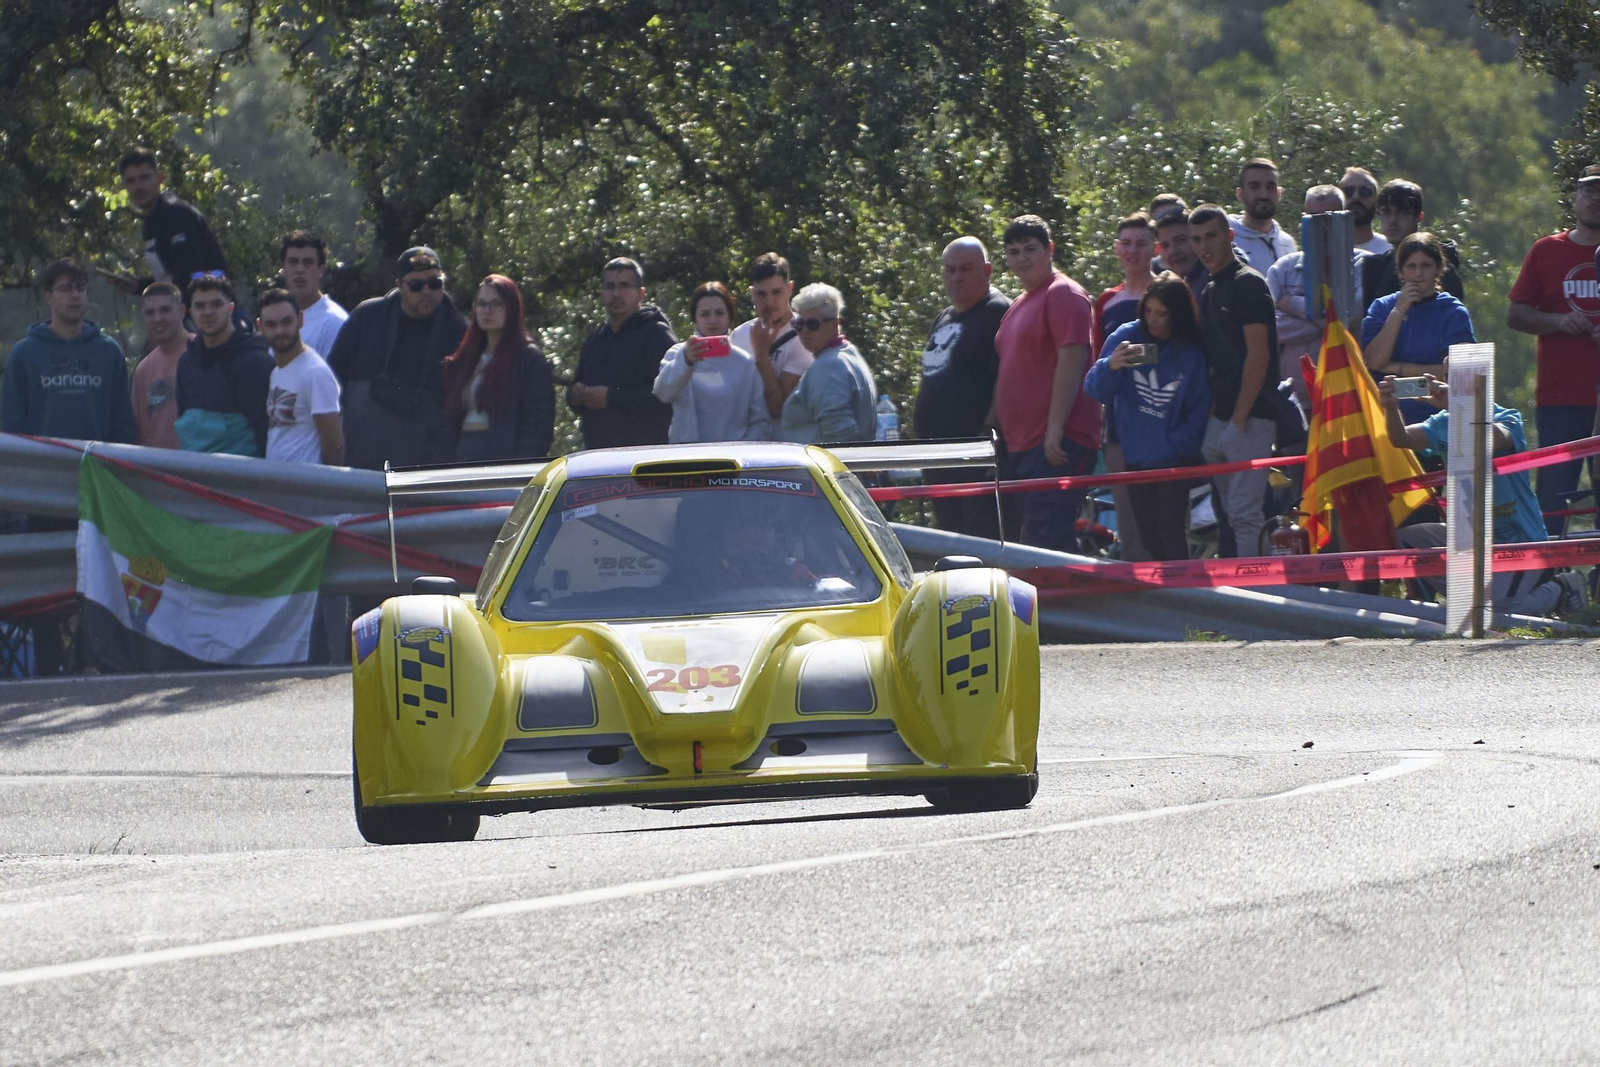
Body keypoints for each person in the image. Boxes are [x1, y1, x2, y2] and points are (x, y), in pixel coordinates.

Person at [1381, 374, 1587, 616]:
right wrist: (1390, 407)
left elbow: (1492, 439)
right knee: (1405, 540)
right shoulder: (1442, 422)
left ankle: (1561, 587)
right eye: (1447, 375)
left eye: (1457, 376)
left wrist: (1459, 405)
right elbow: (1400, 438)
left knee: (1496, 616)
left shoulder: (1506, 416)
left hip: (1520, 540)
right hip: (1469, 537)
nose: (1447, 381)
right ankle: (1432, 605)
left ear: (1480, 382)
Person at [1083, 273, 1211, 560]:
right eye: (1148, 311)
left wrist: (1174, 447)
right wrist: (1111, 365)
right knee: (1149, 538)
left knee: (1171, 534)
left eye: (1161, 314)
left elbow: (1199, 411)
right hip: (1135, 459)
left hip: (1173, 462)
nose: (1152, 320)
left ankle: (1183, 599)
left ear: (1176, 315)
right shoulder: (1127, 336)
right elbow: (1093, 389)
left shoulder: (1190, 353)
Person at [992, 214, 1101, 553]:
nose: (1021, 259)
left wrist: (1055, 429)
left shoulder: (1064, 293)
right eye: (1013, 252)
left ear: (1049, 249)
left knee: (1044, 540)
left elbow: (1072, 360)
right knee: (1033, 541)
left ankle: (1074, 606)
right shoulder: (1020, 304)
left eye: (1030, 249)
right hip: (1022, 445)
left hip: (1056, 443)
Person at [1507, 164, 1600, 534]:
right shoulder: (1546, 251)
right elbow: (1516, 314)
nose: (1595, 199)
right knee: (1552, 498)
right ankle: (1550, 585)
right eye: (1588, 190)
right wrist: (1560, 323)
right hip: (1561, 396)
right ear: (1574, 199)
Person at [326, 246, 466, 469]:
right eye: (416, 285)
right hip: (362, 458)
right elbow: (331, 382)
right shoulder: (367, 317)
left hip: (424, 466)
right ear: (399, 285)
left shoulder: (459, 330)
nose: (426, 291)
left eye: (435, 283)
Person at [1191, 204, 1279, 557]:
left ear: (1229, 235)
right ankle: (1250, 590)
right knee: (1231, 514)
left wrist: (1239, 417)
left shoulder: (1248, 283)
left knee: (1244, 515)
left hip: (1251, 416)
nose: (1203, 246)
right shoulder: (1211, 288)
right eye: (1196, 239)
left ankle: (1257, 596)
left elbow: (1259, 356)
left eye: (1211, 236)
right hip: (1224, 417)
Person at [914, 237, 1012, 539]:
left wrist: (988, 434)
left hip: (975, 454)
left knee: (978, 542)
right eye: (950, 270)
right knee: (948, 541)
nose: (957, 277)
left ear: (987, 270)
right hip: (939, 454)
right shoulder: (945, 316)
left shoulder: (997, 312)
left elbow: (1005, 379)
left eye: (966, 269)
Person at [1, 258, 136, 445]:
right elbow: (11, 425)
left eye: (81, 288)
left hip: (96, 468)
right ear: (49, 297)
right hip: (41, 468)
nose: (75, 295)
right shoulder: (24, 354)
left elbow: (123, 423)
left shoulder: (109, 352)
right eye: (65, 289)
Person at [1093, 214, 1159, 560]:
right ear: (1117, 249)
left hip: (1160, 414)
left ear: (1155, 247)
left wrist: (1132, 356)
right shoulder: (1106, 301)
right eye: (1127, 244)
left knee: (1162, 512)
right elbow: (1098, 363)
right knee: (1125, 510)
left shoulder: (1168, 291)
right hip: (1118, 419)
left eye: (1142, 244)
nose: (1133, 251)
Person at [1361, 232, 1476, 425]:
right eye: (1411, 266)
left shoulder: (1453, 312)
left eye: (1426, 266)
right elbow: (1374, 361)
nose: (1418, 274)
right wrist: (1399, 310)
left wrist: (1400, 368)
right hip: (1388, 418)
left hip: (1436, 419)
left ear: (1438, 268)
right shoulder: (1382, 307)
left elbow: (1458, 374)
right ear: (1401, 271)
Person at [440, 274, 555, 462]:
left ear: (512, 308)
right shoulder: (468, 356)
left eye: (496, 304)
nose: (487, 310)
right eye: (482, 303)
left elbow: (538, 424)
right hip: (462, 456)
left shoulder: (528, 358)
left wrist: (520, 466)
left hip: (501, 460)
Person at [1267, 185, 1364, 406]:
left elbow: (1349, 317)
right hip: (1296, 399)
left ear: (1344, 219)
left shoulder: (1364, 265)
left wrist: (1291, 304)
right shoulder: (1283, 269)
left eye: (1329, 219)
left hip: (1349, 399)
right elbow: (1269, 326)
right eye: (1313, 219)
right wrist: (1326, 322)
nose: (1321, 227)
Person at [567, 257, 677, 449]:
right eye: (609, 287)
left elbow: (667, 394)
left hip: (645, 456)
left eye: (624, 286)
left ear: (641, 293)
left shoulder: (657, 335)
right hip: (599, 456)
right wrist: (575, 396)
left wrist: (611, 398)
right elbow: (579, 390)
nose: (616, 293)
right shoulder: (596, 339)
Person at [652, 281, 770, 443]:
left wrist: (744, 450)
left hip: (733, 458)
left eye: (720, 313)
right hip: (687, 455)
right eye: (705, 314)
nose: (713, 320)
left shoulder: (745, 362)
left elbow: (760, 420)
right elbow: (662, 393)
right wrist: (686, 361)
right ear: (695, 318)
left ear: (730, 317)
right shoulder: (677, 353)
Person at [175, 276, 274, 456]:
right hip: (192, 475)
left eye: (216, 304)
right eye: (200, 306)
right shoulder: (186, 363)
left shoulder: (255, 363)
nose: (208, 312)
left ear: (230, 309)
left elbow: (266, 434)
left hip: (242, 479)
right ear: (190, 312)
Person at [110, 147, 228, 294]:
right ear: (125, 186)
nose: (138, 187)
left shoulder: (174, 214)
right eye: (131, 181)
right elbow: (171, 280)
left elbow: (191, 278)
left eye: (144, 178)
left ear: (159, 178)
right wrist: (138, 285)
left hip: (209, 310)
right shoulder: (151, 222)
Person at [776, 283, 876, 444]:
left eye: (813, 324)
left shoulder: (828, 367)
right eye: (799, 324)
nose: (804, 331)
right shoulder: (849, 353)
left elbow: (841, 436)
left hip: (825, 467)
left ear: (834, 324)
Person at [257, 288, 344, 465]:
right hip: (279, 485)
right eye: (271, 324)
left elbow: (335, 444)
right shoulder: (276, 371)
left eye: (286, 322)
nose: (280, 330)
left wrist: (326, 490)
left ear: (300, 319)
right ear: (260, 327)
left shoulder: (315, 373)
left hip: (307, 487)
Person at [729, 253, 814, 419]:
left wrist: (761, 356)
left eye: (776, 292)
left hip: (783, 441)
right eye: (761, 294)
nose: (769, 302)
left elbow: (780, 409)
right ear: (752, 293)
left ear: (789, 289)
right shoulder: (739, 335)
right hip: (742, 438)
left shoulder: (805, 338)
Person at [1361, 180, 1465, 303]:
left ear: (1418, 217)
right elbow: (1371, 319)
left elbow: (1452, 316)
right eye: (1386, 212)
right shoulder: (1374, 267)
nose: (1393, 220)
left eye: (1402, 212)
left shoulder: (1439, 266)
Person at [130, 281, 190, 448]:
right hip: (157, 468)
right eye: (150, 313)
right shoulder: (142, 370)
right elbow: (139, 430)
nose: (158, 319)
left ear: (181, 311)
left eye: (165, 310)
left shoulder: (202, 354)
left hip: (199, 466)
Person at [279, 231, 348, 359]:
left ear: (320, 271)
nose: (300, 269)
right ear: (283, 268)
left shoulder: (333, 322)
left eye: (308, 262)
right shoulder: (276, 319)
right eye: (293, 262)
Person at [1229, 158, 1297, 274]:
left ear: (1279, 193)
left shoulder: (1287, 244)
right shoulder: (1227, 241)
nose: (1263, 195)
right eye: (1254, 187)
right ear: (1240, 194)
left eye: (1270, 187)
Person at [1338, 167, 1391, 255]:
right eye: (1348, 192)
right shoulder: (1325, 248)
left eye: (1364, 192)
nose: (1356, 197)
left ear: (1376, 202)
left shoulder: (1389, 250)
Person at [1155, 208, 1207, 298]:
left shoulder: (1218, 281)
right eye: (1165, 245)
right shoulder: (1177, 287)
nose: (1172, 251)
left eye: (1181, 240)